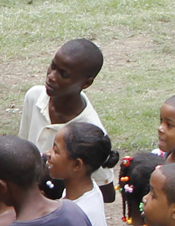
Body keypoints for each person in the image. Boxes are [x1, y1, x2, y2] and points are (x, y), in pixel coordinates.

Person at [18, 38, 118, 189]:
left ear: (86, 83)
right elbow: (23, 151)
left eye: (63, 74)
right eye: (53, 66)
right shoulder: (34, 97)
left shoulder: (90, 132)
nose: (51, 76)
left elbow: (106, 191)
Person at [46, 122, 115, 226]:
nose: (48, 153)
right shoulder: (87, 188)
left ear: (77, 165)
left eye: (56, 151)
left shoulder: (77, 214)